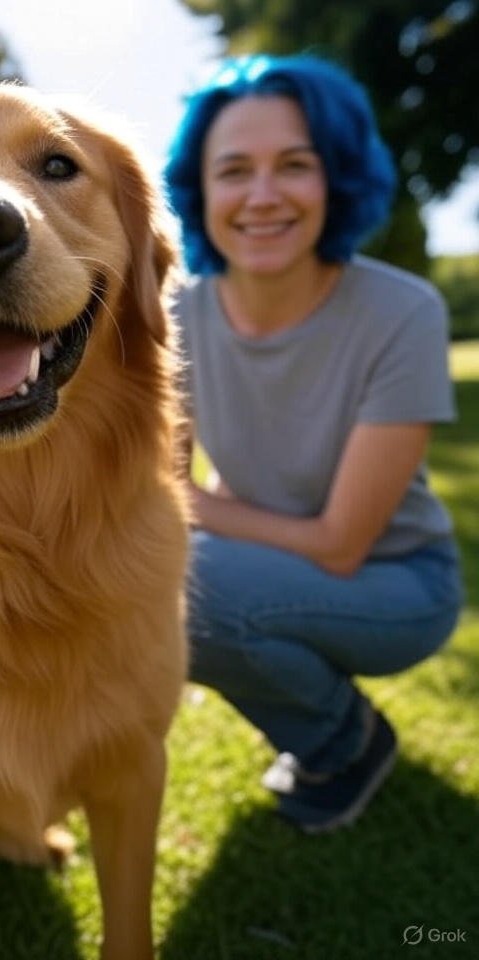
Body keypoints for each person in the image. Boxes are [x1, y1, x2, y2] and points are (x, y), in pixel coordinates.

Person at [164, 53, 464, 833]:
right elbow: (161, 488)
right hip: (267, 560)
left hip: (396, 583)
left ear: (334, 178)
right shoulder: (175, 313)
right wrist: (179, 508)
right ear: (202, 189)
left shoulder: (403, 312)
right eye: (234, 171)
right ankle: (324, 721)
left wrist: (186, 508)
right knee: (158, 574)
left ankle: (344, 739)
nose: (262, 196)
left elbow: (337, 545)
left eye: (294, 166)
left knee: (184, 584)